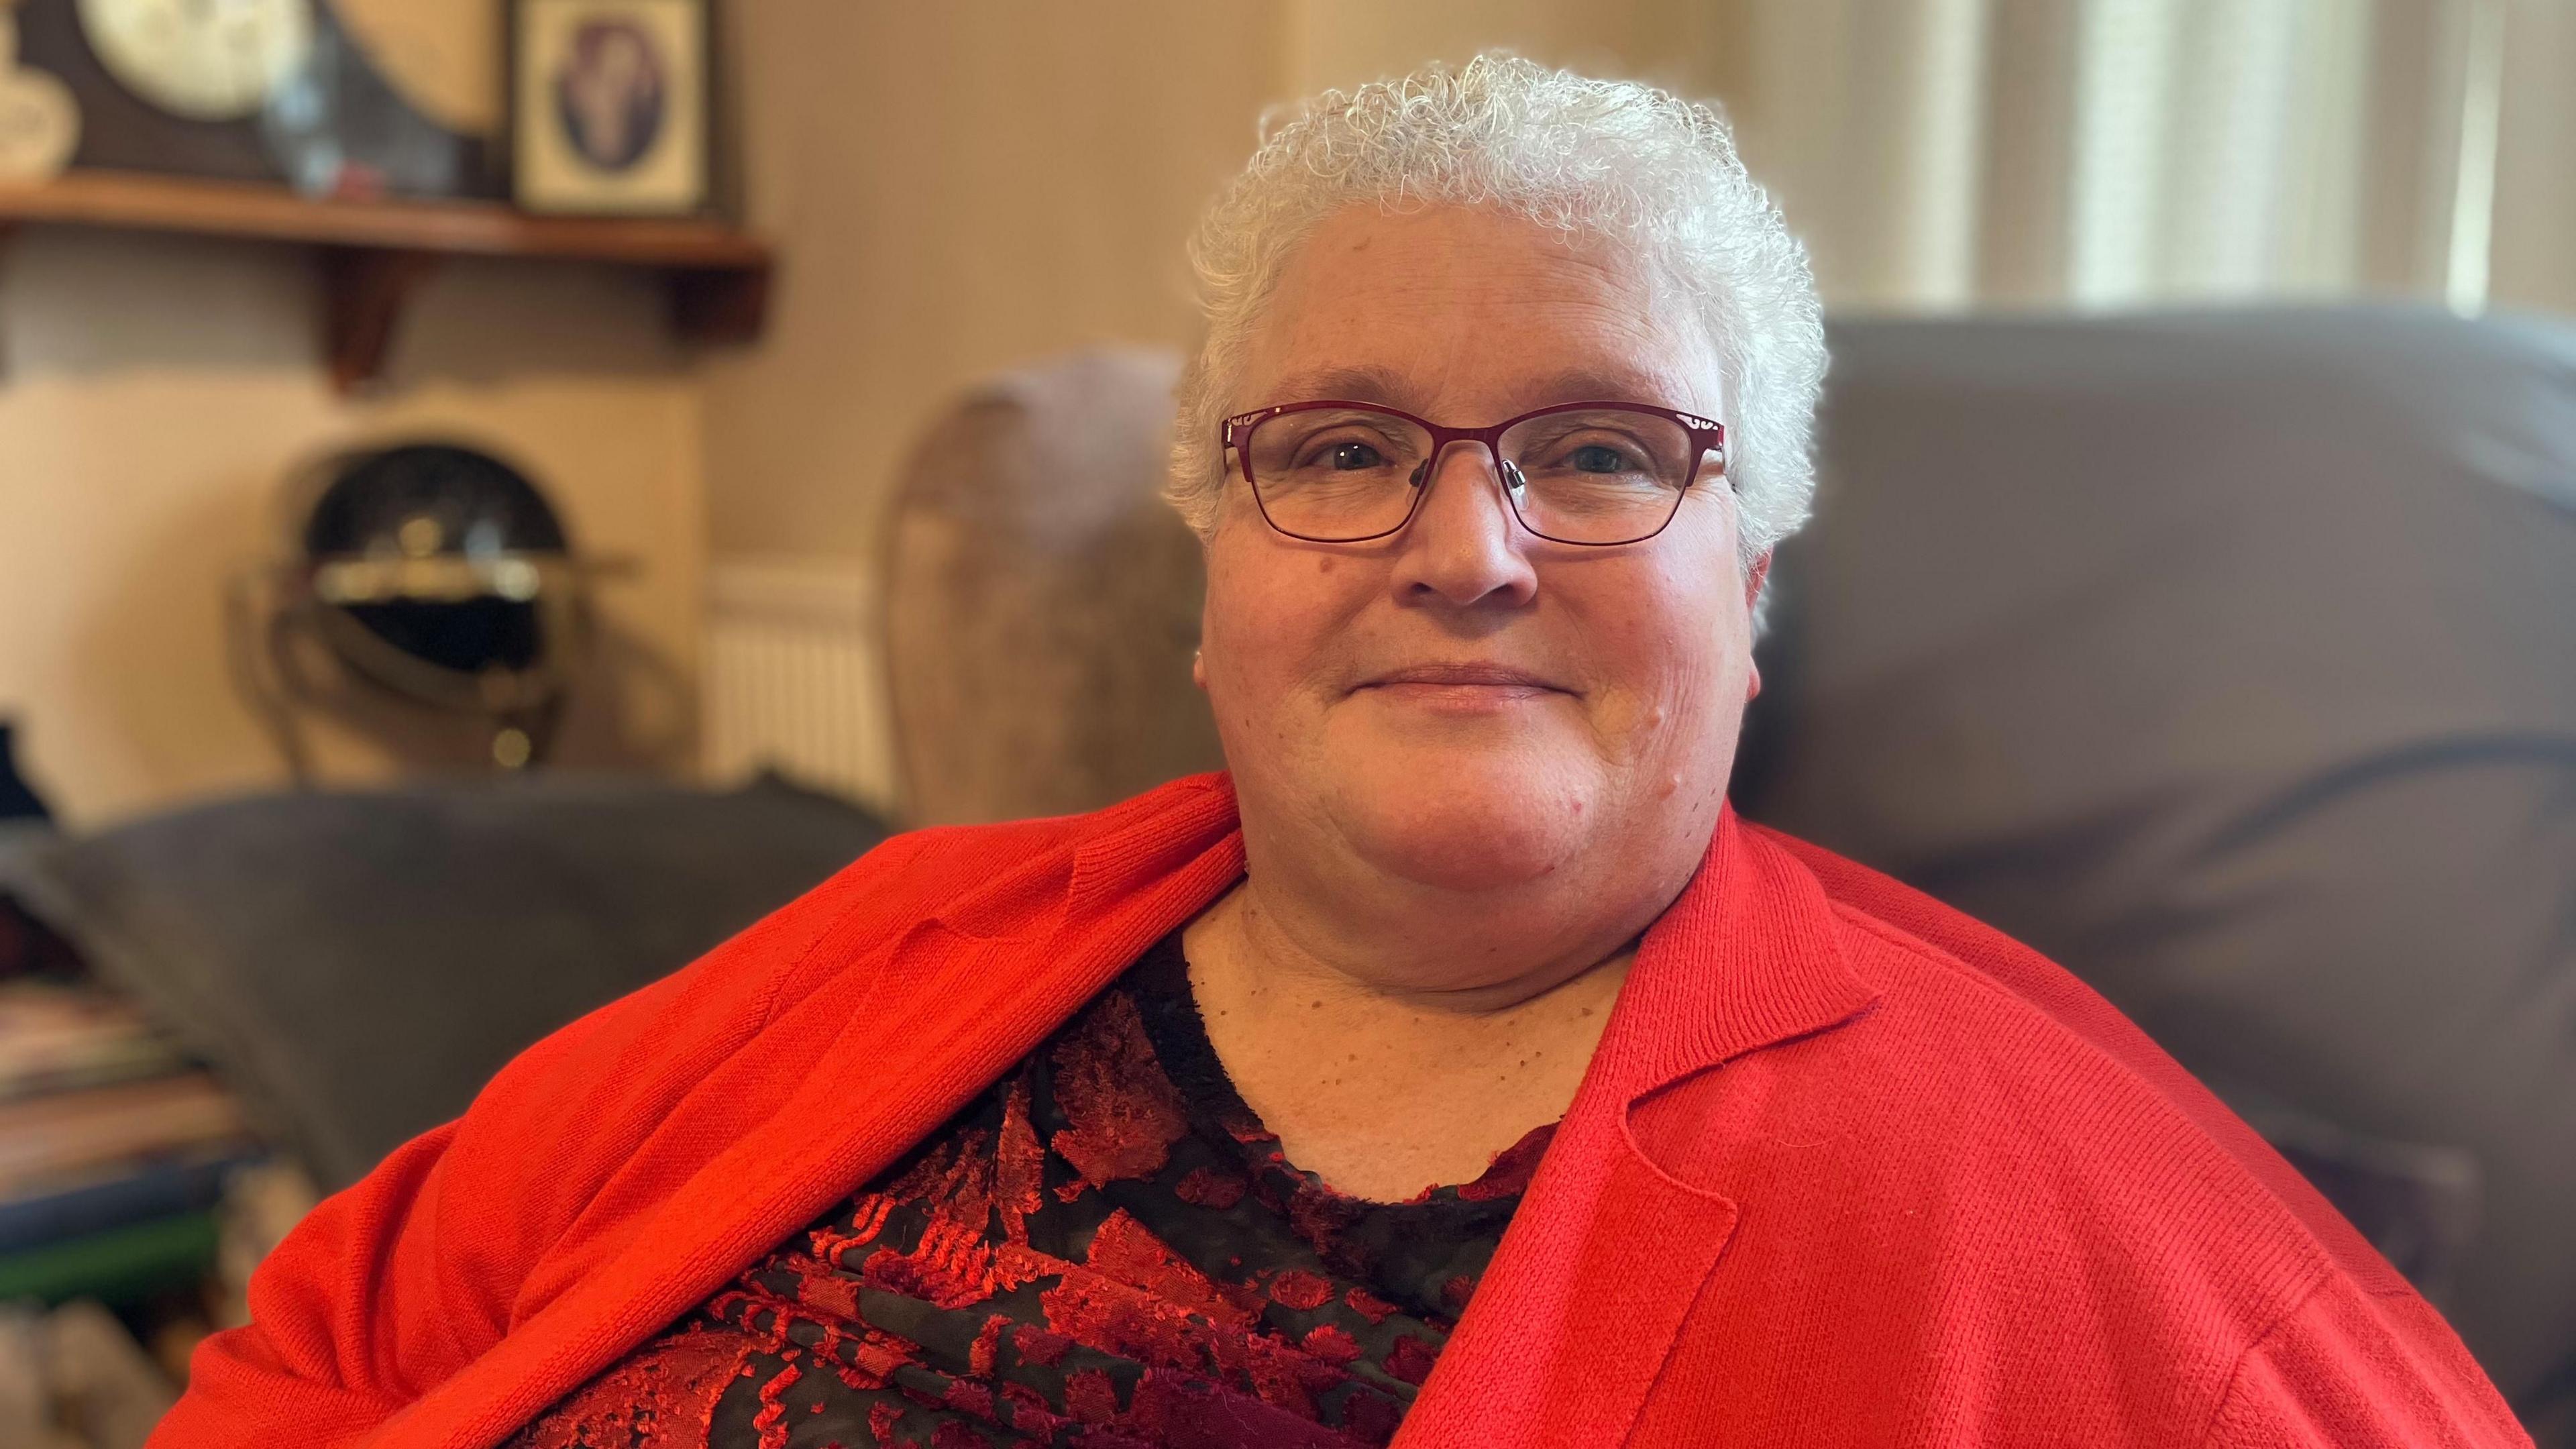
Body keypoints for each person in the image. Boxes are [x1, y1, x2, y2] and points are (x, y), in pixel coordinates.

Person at [150, 56, 2528, 1448]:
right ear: (1217, 573)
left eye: (1599, 453)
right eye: (1341, 448)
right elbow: (323, 1350)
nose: (1465, 551)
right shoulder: (901, 947)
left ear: (1758, 585)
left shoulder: (2066, 1195)